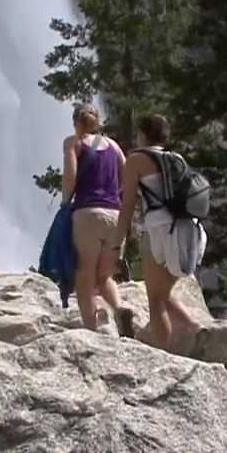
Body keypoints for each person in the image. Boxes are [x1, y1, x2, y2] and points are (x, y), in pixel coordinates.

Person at [114, 114, 207, 352]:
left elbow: (127, 204)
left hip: (157, 232)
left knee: (155, 299)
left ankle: (164, 352)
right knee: (163, 292)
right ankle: (194, 328)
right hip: (187, 231)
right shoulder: (175, 158)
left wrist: (117, 241)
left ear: (143, 134)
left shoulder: (136, 160)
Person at [62, 104, 127, 333]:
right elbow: (126, 176)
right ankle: (119, 308)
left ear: (75, 122)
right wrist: (113, 194)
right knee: (105, 275)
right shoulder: (114, 146)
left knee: (85, 272)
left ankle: (90, 327)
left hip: (88, 213)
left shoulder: (73, 142)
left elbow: (70, 177)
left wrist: (65, 203)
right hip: (115, 215)